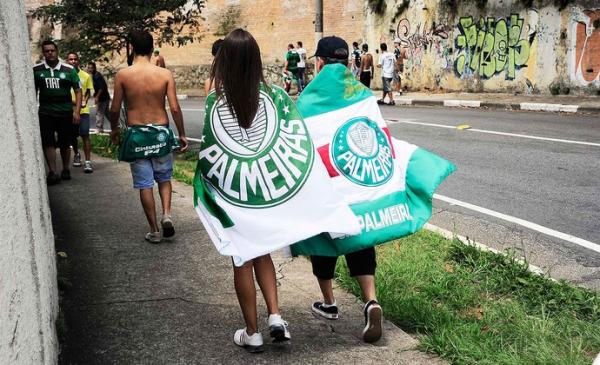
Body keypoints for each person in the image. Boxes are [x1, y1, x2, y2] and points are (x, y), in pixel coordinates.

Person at [201, 28, 292, 353]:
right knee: (263, 251)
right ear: (255, 60)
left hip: (234, 195)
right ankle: (276, 317)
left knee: (242, 258)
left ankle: (252, 332)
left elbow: (211, 152)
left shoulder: (216, 102)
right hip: (265, 193)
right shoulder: (273, 96)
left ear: (223, 61)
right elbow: (288, 140)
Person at [303, 35, 383, 343]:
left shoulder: (309, 97)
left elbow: (302, 145)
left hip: (327, 187)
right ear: (348, 62)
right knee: (360, 240)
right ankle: (371, 300)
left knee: (323, 241)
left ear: (320, 63)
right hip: (359, 181)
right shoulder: (362, 93)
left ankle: (330, 303)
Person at [109, 30, 188, 243]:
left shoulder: (123, 75)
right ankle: (167, 214)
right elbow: (174, 107)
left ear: (132, 48)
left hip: (137, 135)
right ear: (152, 48)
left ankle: (154, 231)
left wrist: (114, 129)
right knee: (164, 178)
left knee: (145, 184)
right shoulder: (164, 75)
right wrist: (181, 134)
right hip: (161, 133)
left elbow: (115, 108)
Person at [33, 40, 81, 185]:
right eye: (47, 51)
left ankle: (65, 168)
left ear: (57, 51)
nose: (50, 53)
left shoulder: (68, 70)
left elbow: (78, 91)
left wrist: (76, 111)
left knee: (65, 143)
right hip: (45, 112)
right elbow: (33, 91)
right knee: (48, 142)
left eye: (52, 50)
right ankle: (52, 172)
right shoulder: (36, 70)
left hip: (65, 113)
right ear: (43, 53)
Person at [67, 52, 94, 173]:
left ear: (78, 60)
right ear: (68, 61)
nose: (73, 61)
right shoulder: (65, 75)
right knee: (72, 136)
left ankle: (88, 162)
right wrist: (74, 102)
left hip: (83, 111)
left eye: (75, 59)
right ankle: (77, 154)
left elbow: (88, 91)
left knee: (85, 135)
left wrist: (85, 100)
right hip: (70, 110)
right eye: (70, 59)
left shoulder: (86, 76)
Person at [87, 61, 110, 134]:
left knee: (99, 113)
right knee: (106, 113)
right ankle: (116, 125)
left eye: (91, 68)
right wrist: (95, 93)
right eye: (89, 68)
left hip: (102, 98)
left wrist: (97, 97)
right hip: (105, 97)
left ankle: (99, 128)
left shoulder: (96, 76)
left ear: (94, 68)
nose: (90, 69)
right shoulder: (95, 75)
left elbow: (101, 88)